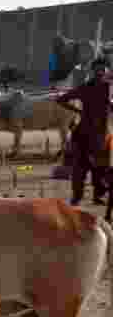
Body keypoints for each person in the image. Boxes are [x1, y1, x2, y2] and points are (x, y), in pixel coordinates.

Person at [56, 57, 112, 209]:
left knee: (101, 168)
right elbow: (60, 99)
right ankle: (77, 197)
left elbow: (60, 100)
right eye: (98, 69)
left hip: (102, 135)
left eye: (103, 69)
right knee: (80, 167)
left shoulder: (109, 88)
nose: (100, 72)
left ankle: (97, 196)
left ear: (107, 71)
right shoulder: (86, 88)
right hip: (85, 134)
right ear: (93, 71)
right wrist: (79, 111)